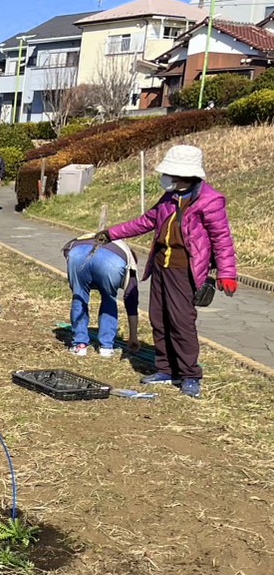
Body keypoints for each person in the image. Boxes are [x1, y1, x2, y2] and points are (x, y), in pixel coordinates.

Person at [96, 144, 237, 399]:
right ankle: (165, 368)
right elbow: (146, 222)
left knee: (182, 322)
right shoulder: (169, 198)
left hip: (186, 269)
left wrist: (228, 273)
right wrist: (111, 233)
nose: (166, 178)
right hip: (161, 265)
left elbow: (222, 239)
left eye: (170, 174)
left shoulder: (210, 200)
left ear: (185, 175)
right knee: (158, 318)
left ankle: (190, 375)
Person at [64, 236, 139, 357]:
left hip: (77, 254)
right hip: (111, 262)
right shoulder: (129, 260)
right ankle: (106, 347)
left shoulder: (90, 236)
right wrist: (133, 336)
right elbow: (132, 300)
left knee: (79, 296)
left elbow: (67, 250)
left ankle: (79, 345)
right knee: (109, 298)